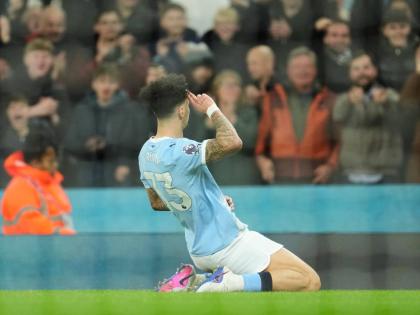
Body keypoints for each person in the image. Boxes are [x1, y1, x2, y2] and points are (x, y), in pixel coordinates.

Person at [138, 74, 320, 292]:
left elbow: (157, 202)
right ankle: (228, 282)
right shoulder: (182, 150)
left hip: (199, 250)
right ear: (182, 110)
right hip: (228, 243)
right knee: (308, 280)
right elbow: (232, 142)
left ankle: (192, 281)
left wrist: (211, 200)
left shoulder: (145, 154)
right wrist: (212, 109)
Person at [255, 47, 338, 184]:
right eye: (297, 67)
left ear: (315, 70)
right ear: (288, 70)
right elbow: (262, 140)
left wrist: (330, 166)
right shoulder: (272, 98)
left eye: (307, 67)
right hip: (280, 177)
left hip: (317, 179)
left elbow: (339, 140)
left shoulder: (329, 99)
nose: (302, 71)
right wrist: (261, 160)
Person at [333, 52, 403, 183]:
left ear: (375, 71)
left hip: (386, 171)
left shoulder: (390, 95)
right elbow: (337, 118)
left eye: (366, 67)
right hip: (352, 171)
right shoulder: (342, 99)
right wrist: (349, 101)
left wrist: (386, 104)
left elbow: (402, 120)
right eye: (356, 69)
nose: (362, 72)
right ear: (350, 73)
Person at [0, 126, 75, 235]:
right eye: (50, 161)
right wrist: (65, 236)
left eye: (55, 160)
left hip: (51, 248)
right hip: (26, 250)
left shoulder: (48, 184)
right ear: (34, 162)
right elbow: (32, 225)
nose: (55, 165)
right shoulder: (20, 188)